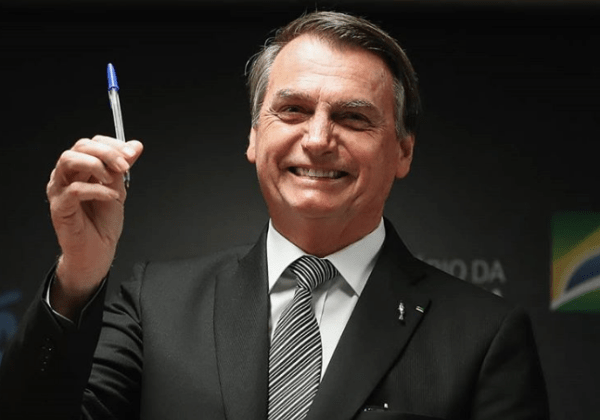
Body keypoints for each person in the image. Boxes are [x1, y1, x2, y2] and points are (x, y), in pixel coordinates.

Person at [0, 11, 548, 420]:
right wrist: (79, 274)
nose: (318, 139)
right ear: (254, 137)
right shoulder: (154, 305)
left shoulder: (484, 336)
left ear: (403, 152)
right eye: (292, 110)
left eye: (353, 118)